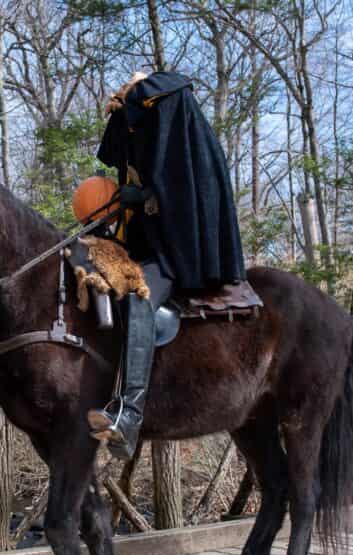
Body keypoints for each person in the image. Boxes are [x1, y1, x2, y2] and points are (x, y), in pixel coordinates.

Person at [86, 71, 247, 459]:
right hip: (141, 247)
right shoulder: (147, 153)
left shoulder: (188, 155)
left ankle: (130, 412)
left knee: (138, 296)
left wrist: (142, 196)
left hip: (173, 255)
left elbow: (177, 199)